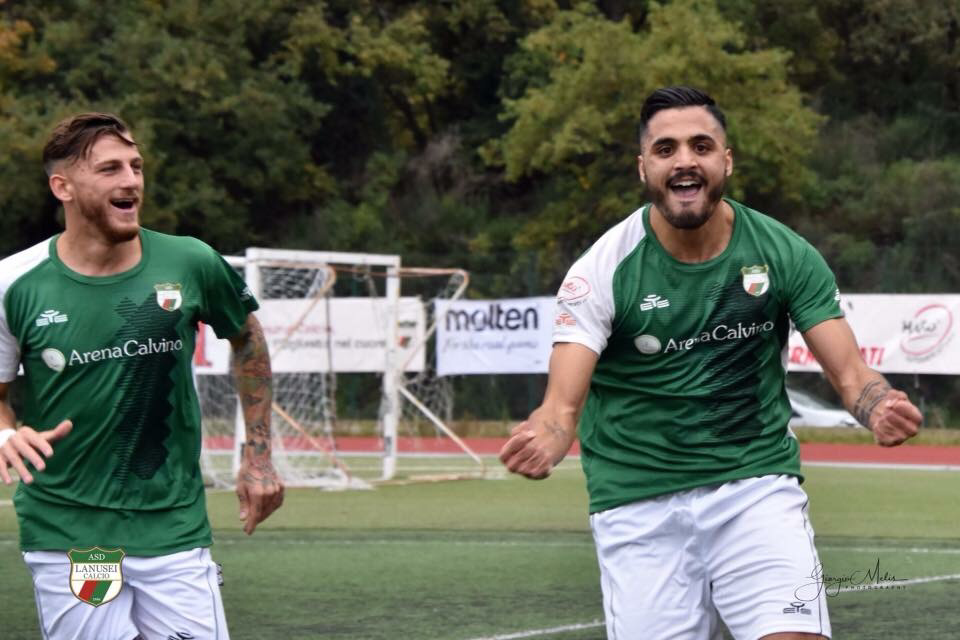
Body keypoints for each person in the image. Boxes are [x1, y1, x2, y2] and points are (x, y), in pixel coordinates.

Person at [499, 86, 921, 640]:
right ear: (643, 167)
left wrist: (878, 405)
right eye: (665, 149)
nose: (684, 161)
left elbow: (850, 375)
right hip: (637, 502)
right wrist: (548, 439)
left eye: (700, 146)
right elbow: (561, 408)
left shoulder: (784, 253)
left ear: (726, 160)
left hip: (754, 488)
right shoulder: (600, 271)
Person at [0, 112, 283, 639]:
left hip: (172, 527)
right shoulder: (13, 283)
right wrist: (5, 433)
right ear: (62, 187)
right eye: (109, 169)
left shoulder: (190, 261)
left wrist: (259, 458)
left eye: (136, 166)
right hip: (72, 531)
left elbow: (247, 339)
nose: (131, 180)